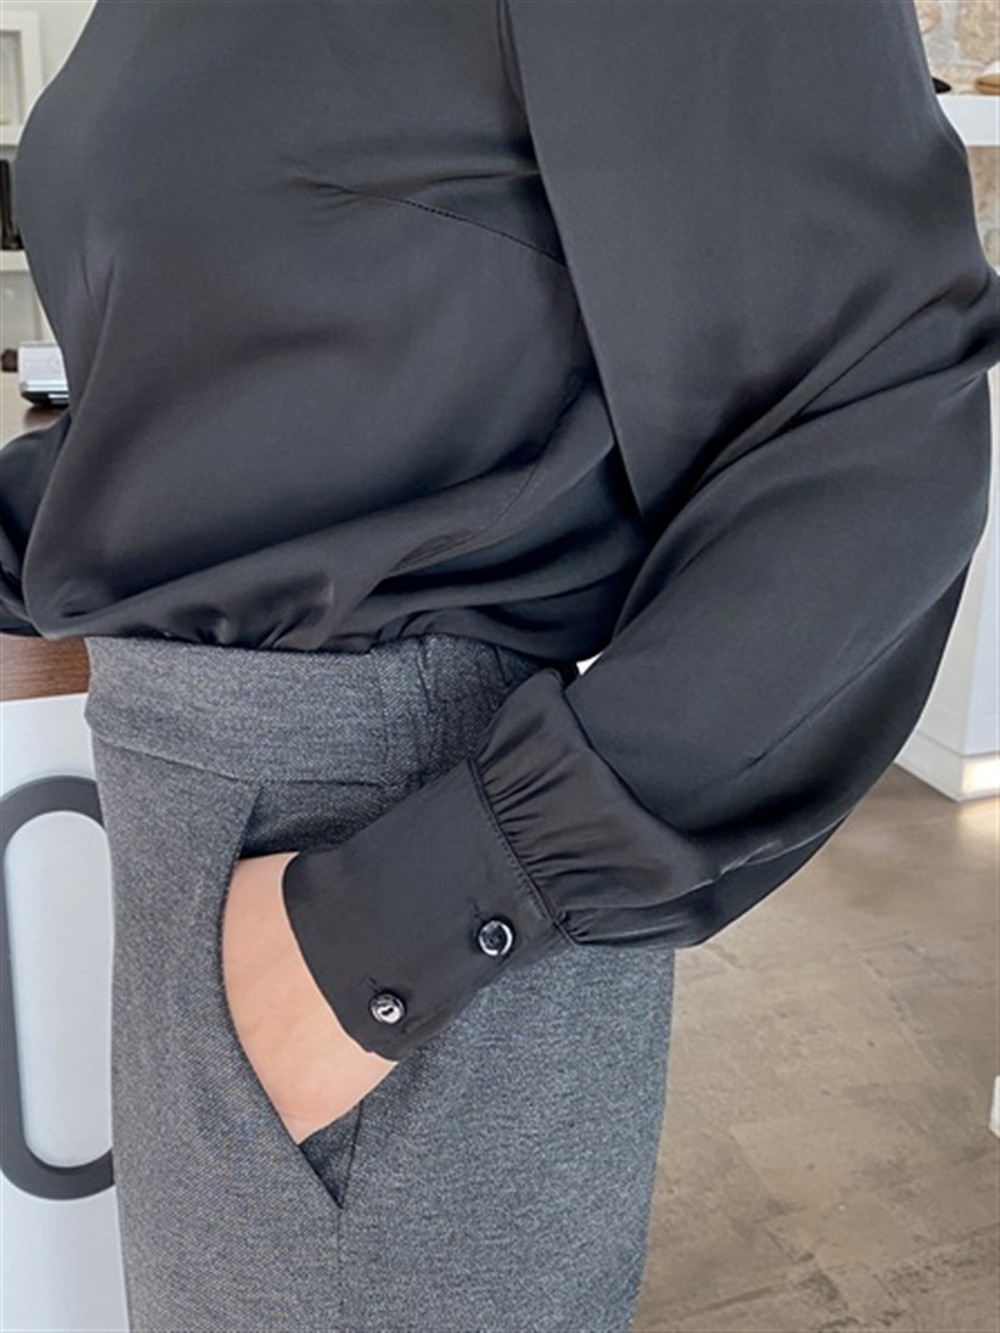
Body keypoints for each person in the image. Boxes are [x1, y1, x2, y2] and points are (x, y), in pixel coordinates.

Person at [1, 2, 996, 1329]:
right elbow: (204, 409)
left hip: (386, 906)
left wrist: (422, 916)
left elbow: (878, 424)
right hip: (213, 872)